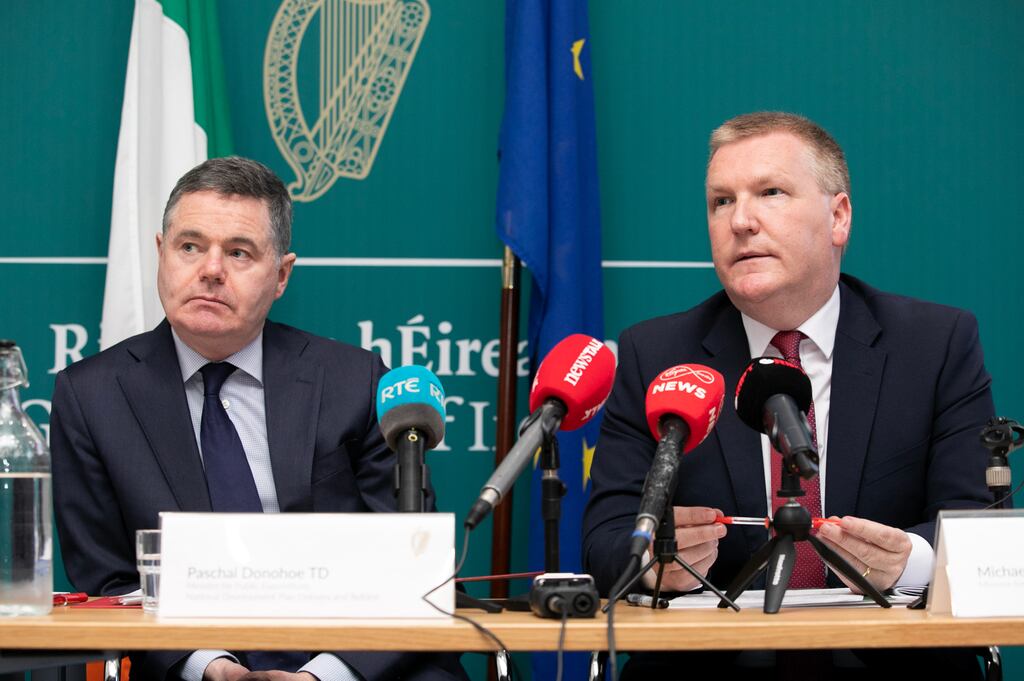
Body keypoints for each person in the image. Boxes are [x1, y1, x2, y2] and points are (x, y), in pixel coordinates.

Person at [582, 112, 994, 678]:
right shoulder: (656, 355)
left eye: (770, 192)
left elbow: (975, 526)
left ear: (838, 217)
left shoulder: (935, 344)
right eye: (721, 201)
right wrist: (653, 563)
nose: (741, 221)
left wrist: (910, 563)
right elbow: (605, 541)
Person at [51, 157, 468, 681]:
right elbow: (107, 579)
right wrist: (208, 665)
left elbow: (417, 568)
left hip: (352, 661)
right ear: (161, 254)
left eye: (239, 252)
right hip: (188, 665)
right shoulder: (92, 396)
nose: (210, 269)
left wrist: (325, 674)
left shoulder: (354, 380)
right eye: (190, 246)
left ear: (281, 275)